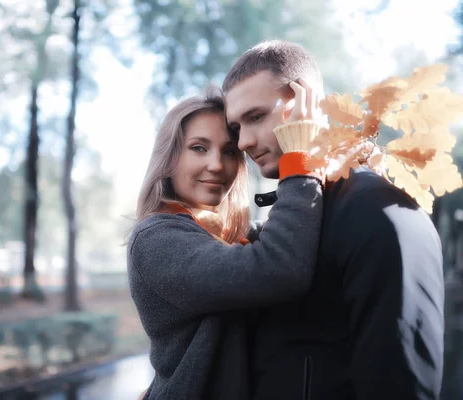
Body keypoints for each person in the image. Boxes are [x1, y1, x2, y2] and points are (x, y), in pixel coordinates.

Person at [223, 40, 445, 399]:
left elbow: (401, 380)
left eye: (256, 117)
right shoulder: (291, 217)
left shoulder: (377, 209)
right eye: (235, 128)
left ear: (304, 104)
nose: (244, 141)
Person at [128, 85, 329, 399]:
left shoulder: (228, 234)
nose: (216, 165)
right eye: (198, 147)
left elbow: (287, 238)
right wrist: (299, 162)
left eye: (229, 151)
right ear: (170, 158)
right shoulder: (156, 239)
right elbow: (278, 267)